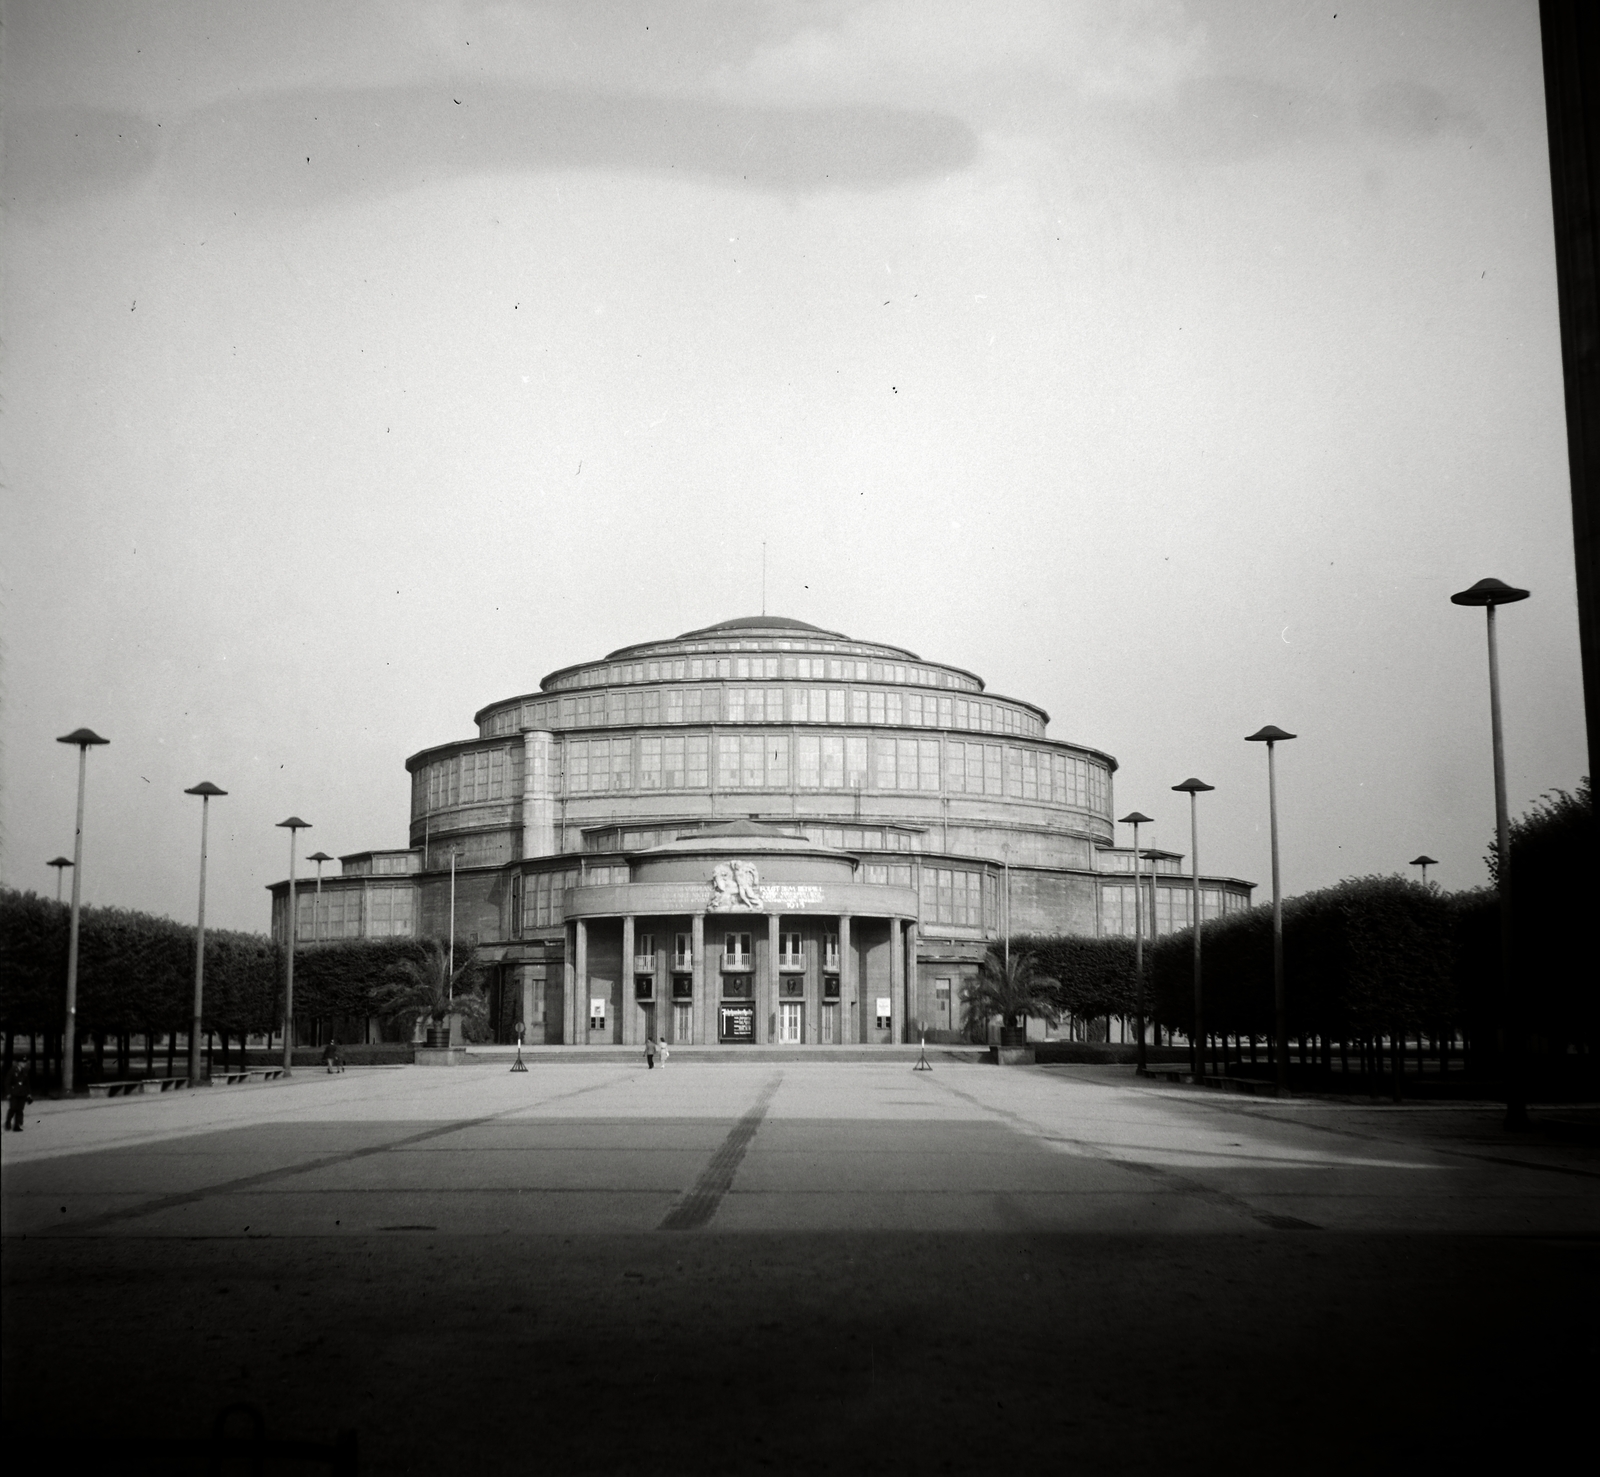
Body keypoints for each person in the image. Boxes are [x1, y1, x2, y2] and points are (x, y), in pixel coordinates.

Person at [4, 1062, 31, 1132]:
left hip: (22, 1093)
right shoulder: (12, 1071)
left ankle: (17, 1125)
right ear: (19, 1063)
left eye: (25, 1063)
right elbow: (7, 1082)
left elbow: (27, 1083)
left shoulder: (25, 1071)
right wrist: (8, 1093)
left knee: (20, 1109)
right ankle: (8, 1122)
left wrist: (28, 1094)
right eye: (23, 1063)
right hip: (14, 1093)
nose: (24, 1064)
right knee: (13, 1108)